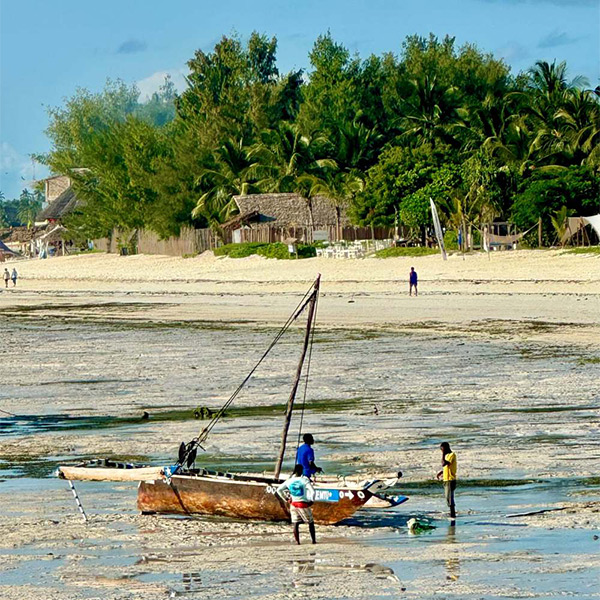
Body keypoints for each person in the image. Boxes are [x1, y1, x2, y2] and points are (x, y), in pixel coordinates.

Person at [276, 464, 317, 545]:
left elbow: (279, 490)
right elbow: (312, 491)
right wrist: (311, 500)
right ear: (302, 471)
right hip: (303, 504)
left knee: (296, 523)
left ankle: (297, 542)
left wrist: (286, 499)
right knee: (310, 523)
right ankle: (313, 541)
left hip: (293, 504)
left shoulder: (289, 480)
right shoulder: (304, 480)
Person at [436, 442, 457, 518]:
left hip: (450, 479)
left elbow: (444, 463)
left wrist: (443, 454)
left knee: (450, 498)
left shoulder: (452, 455)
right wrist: (441, 472)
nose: (442, 451)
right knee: (447, 498)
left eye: (443, 450)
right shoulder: (447, 456)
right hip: (446, 479)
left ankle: (453, 515)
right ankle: (452, 512)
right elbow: (445, 467)